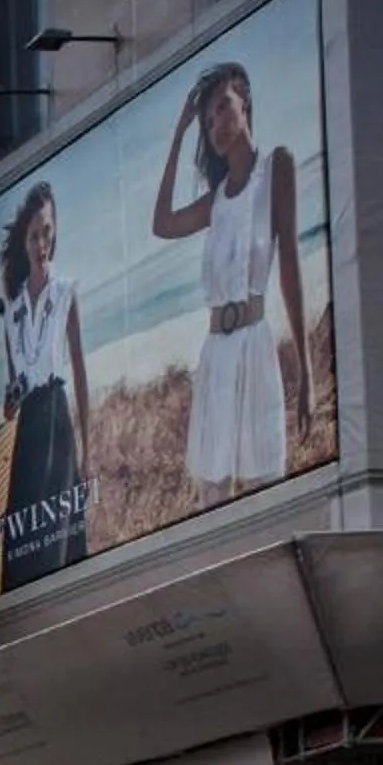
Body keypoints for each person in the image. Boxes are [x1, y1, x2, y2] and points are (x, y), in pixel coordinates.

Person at [152, 59, 306, 503]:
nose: (216, 124)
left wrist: (307, 376)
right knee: (212, 493)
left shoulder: (276, 167)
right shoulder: (215, 203)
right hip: (215, 354)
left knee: (264, 486)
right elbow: (162, 223)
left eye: (223, 107)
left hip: (255, 342)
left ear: (246, 104)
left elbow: (291, 262)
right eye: (208, 119)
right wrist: (180, 132)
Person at [0, 181, 91, 590]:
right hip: (27, 428)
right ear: (24, 241)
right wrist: (10, 403)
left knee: (60, 538)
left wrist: (88, 450)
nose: (42, 242)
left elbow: (80, 372)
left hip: (57, 418)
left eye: (47, 231)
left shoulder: (66, 292)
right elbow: (10, 400)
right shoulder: (11, 311)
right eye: (34, 235)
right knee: (25, 546)